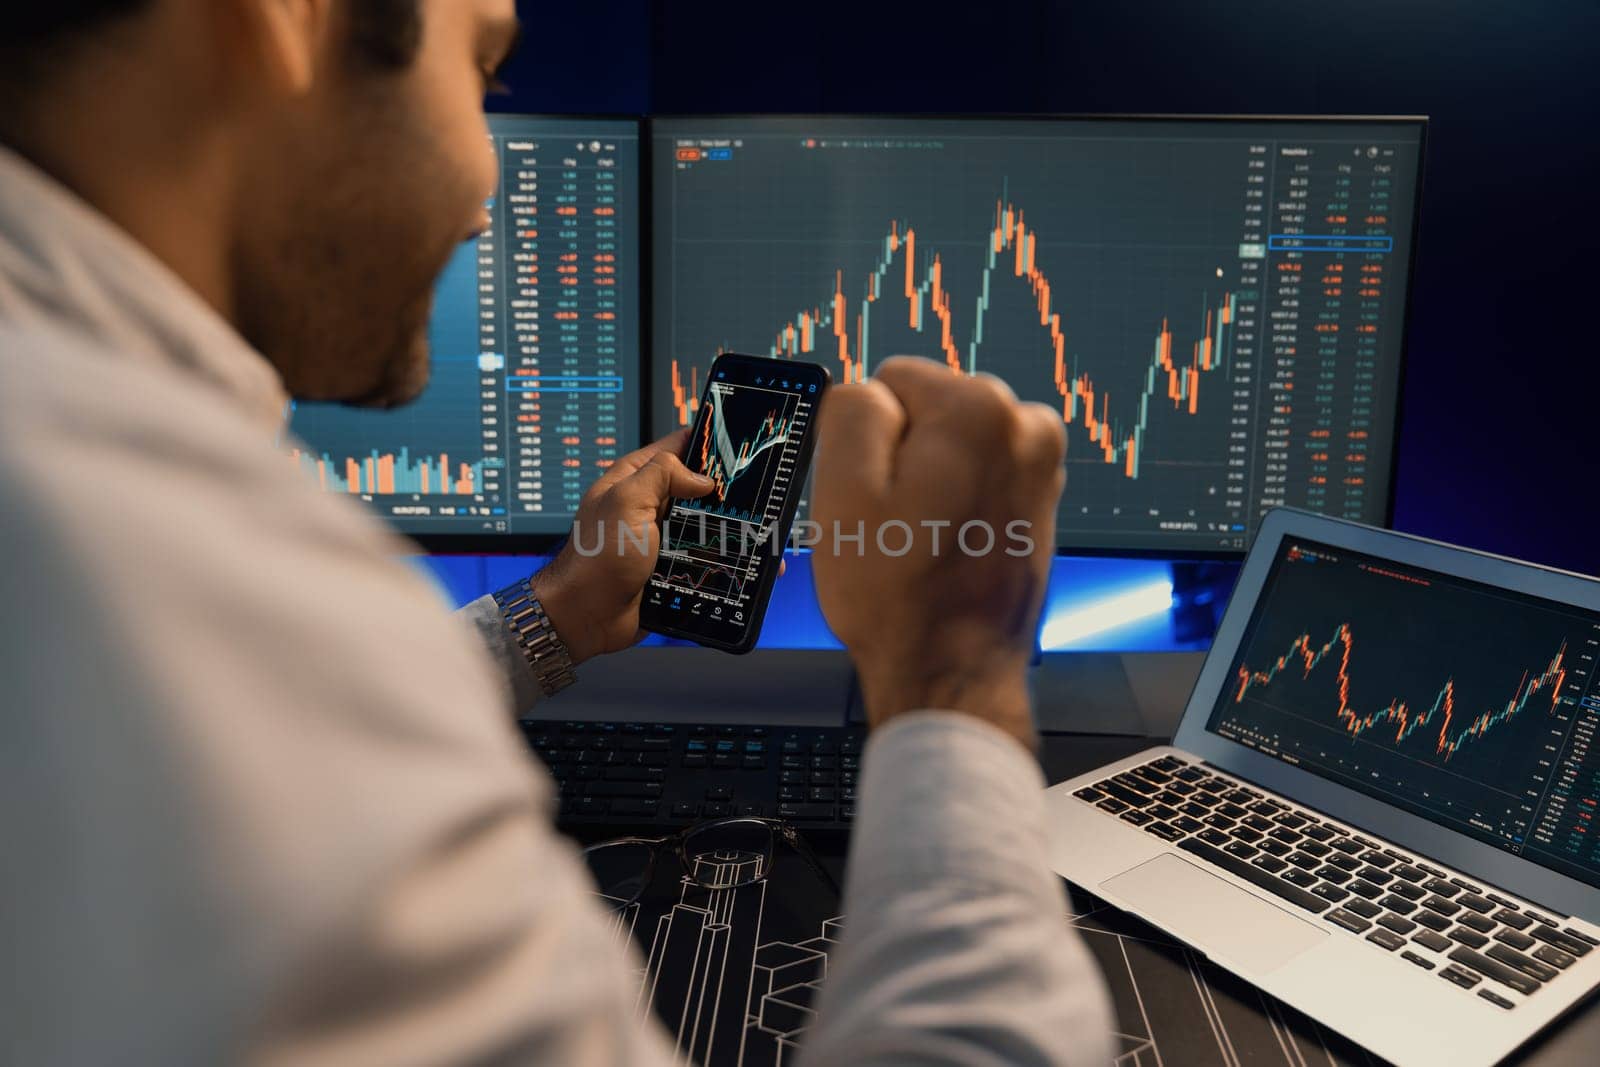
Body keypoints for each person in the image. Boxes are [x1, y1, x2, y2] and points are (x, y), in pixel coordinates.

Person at [0, 1, 1114, 1063]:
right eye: (483, 67)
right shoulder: (159, 562)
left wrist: (556, 613)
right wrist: (953, 678)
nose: (490, 186)